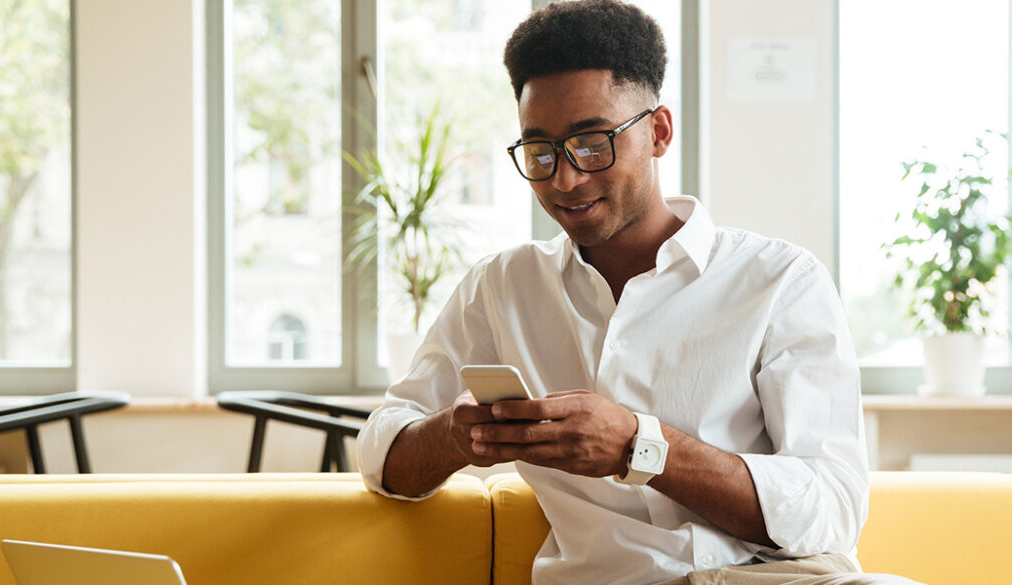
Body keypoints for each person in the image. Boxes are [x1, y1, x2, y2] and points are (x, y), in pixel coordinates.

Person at [357, 2, 922, 584]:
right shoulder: (502, 288)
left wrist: (640, 447)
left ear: (658, 132)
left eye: (593, 143)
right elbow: (381, 452)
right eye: (541, 153)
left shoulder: (781, 282)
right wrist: (455, 436)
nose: (566, 180)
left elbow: (833, 510)